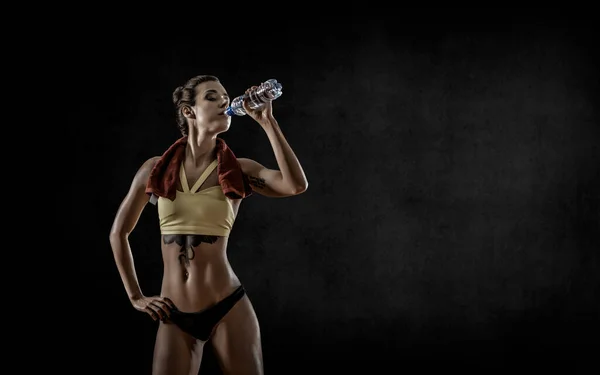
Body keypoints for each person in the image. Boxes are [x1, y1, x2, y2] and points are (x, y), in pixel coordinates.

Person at [109, 74, 308, 375]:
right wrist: (136, 296)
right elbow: (119, 233)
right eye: (212, 97)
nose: (224, 102)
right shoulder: (155, 169)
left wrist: (267, 121)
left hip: (228, 305)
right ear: (189, 112)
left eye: (226, 97)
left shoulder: (239, 169)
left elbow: (295, 185)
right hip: (174, 312)